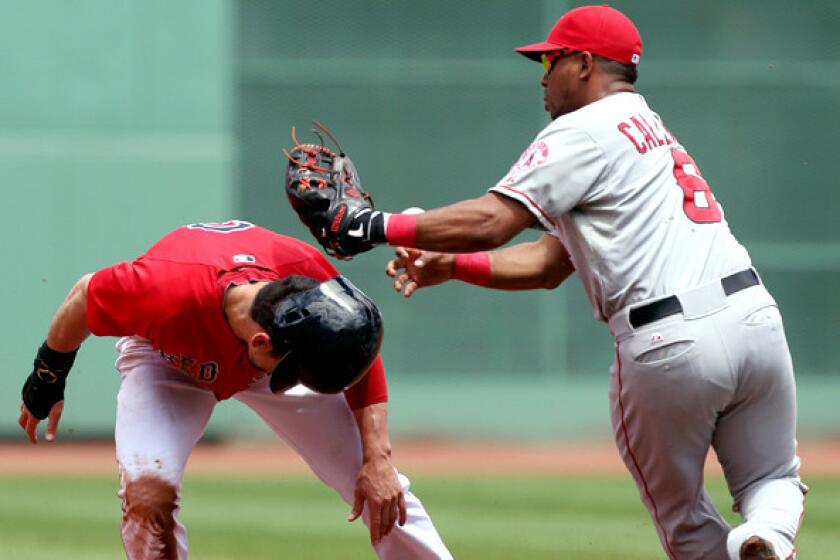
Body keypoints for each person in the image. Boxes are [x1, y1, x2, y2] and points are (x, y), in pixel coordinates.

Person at [304, 5, 807, 560]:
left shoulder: (582, 131)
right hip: (755, 319)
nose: (543, 77)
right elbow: (550, 264)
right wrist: (452, 265)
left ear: (585, 63)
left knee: (685, 522)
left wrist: (368, 226)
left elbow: (493, 221)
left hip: (668, 344)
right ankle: (764, 539)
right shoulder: (652, 130)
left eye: (551, 61)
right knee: (774, 478)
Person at [18, 219, 453, 560]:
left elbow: (356, 347)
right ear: (259, 344)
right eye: (298, 374)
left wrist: (377, 458)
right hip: (166, 357)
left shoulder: (305, 277)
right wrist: (48, 374)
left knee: (383, 486)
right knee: (148, 493)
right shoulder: (161, 290)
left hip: (270, 359)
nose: (301, 382)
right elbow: (83, 295)